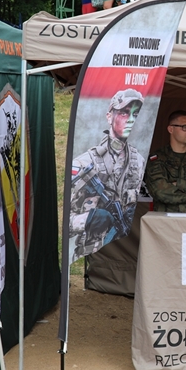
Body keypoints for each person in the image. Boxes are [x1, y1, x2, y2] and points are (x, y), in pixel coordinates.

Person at [69, 89, 145, 261]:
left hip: (126, 252)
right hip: (93, 255)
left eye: (135, 114)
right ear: (109, 116)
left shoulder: (138, 162)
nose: (130, 119)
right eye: (124, 113)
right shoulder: (84, 163)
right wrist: (88, 219)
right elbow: (65, 221)